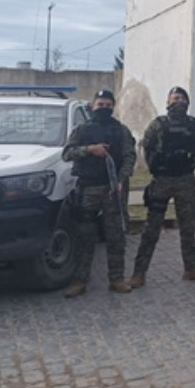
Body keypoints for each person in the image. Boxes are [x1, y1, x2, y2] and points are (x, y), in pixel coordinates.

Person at [130, 86, 195, 288]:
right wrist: (155, 168)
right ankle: (139, 272)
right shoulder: (158, 124)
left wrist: (190, 166)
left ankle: (191, 268)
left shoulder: (193, 125)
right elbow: (146, 147)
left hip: (185, 180)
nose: (178, 102)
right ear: (167, 102)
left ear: (187, 102)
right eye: (174, 98)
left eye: (181, 99)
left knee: (188, 227)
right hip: (162, 180)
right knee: (152, 229)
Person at [61, 89, 136, 297]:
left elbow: (129, 157)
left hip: (112, 189)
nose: (104, 108)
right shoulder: (82, 130)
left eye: (108, 105)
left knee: (116, 236)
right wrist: (89, 150)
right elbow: (67, 153)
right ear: (92, 106)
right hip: (88, 188)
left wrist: (121, 179)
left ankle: (117, 279)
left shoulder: (121, 130)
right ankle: (80, 280)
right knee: (85, 235)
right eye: (100, 105)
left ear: (113, 107)